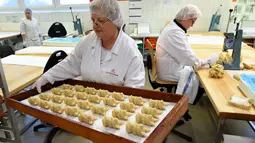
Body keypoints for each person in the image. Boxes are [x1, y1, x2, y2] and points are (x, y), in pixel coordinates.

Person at [33, 0, 145, 93]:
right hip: (86, 106)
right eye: (93, 20)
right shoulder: (88, 41)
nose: (95, 25)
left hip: (115, 111)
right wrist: (48, 76)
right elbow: (71, 63)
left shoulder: (130, 52)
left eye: (100, 20)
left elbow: (134, 91)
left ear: (115, 21)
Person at [156, 4, 216, 104]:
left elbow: (186, 53)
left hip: (171, 65)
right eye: (192, 22)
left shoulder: (174, 28)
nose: (192, 25)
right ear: (185, 18)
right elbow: (188, 59)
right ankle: (185, 103)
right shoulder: (174, 32)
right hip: (169, 71)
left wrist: (201, 62)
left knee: (200, 68)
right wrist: (207, 61)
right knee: (203, 76)